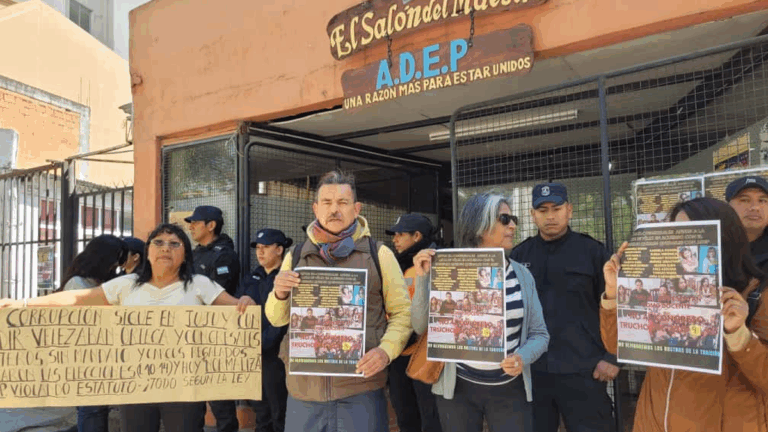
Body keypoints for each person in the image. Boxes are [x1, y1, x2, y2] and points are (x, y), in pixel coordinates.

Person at [0, 223, 255, 432]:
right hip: (136, 385)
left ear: (185, 253)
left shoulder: (199, 284)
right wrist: (23, 303)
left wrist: (244, 301)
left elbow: (236, 308)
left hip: (184, 388)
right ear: (148, 250)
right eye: (159, 242)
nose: (166, 248)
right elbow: (76, 298)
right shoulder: (126, 284)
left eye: (175, 243)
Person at [601, 197, 768, 431]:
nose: (682, 247)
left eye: (691, 235)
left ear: (722, 239)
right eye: (675, 235)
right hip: (654, 420)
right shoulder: (661, 287)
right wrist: (612, 292)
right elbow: (615, 345)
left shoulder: (756, 294)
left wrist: (739, 334)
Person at [265, 170, 412, 432]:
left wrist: (385, 352)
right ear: (315, 208)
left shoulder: (379, 254)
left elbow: (403, 314)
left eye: (342, 203)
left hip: (361, 391)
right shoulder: (296, 255)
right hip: (303, 392)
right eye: (327, 203)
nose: (334, 210)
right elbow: (276, 318)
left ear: (356, 209)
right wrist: (279, 294)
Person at [411, 192, 549, 432]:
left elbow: (540, 334)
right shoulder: (447, 270)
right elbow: (420, 325)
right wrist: (423, 278)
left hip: (510, 390)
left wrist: (521, 357)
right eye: (504, 219)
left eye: (512, 218)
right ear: (479, 226)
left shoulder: (522, 275)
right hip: (457, 388)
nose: (513, 225)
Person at [509, 183, 617, 432]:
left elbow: (616, 307)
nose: (550, 216)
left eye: (556, 208)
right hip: (533, 371)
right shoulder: (518, 256)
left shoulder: (592, 252)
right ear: (532, 214)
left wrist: (613, 357)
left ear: (569, 210)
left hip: (584, 370)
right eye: (543, 210)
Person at [58, 234, 127, 432]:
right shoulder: (78, 284)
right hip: (85, 360)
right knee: (92, 411)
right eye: (116, 259)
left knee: (96, 410)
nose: (117, 264)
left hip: (100, 358)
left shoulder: (97, 280)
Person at [185, 205, 242, 432]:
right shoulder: (196, 253)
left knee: (219, 399)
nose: (191, 227)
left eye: (196, 222)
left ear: (211, 226)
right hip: (191, 333)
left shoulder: (224, 255)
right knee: (192, 398)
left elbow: (217, 295)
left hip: (215, 335)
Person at [385, 212, 442, 432]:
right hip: (399, 353)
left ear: (417, 236)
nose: (395, 239)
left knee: (430, 419)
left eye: (400, 234)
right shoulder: (394, 265)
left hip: (426, 355)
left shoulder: (436, 263)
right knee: (405, 416)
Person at [236, 228, 293, 432]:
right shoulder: (252, 276)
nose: (260, 252)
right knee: (260, 411)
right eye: (258, 248)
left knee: (279, 410)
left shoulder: (288, 278)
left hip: (276, 356)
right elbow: (239, 310)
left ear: (279, 250)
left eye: (266, 247)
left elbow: (284, 320)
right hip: (252, 354)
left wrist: (262, 343)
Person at [726, 176, 768, 271]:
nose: (755, 207)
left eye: (762, 200)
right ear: (727, 206)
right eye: (744, 200)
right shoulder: (714, 243)